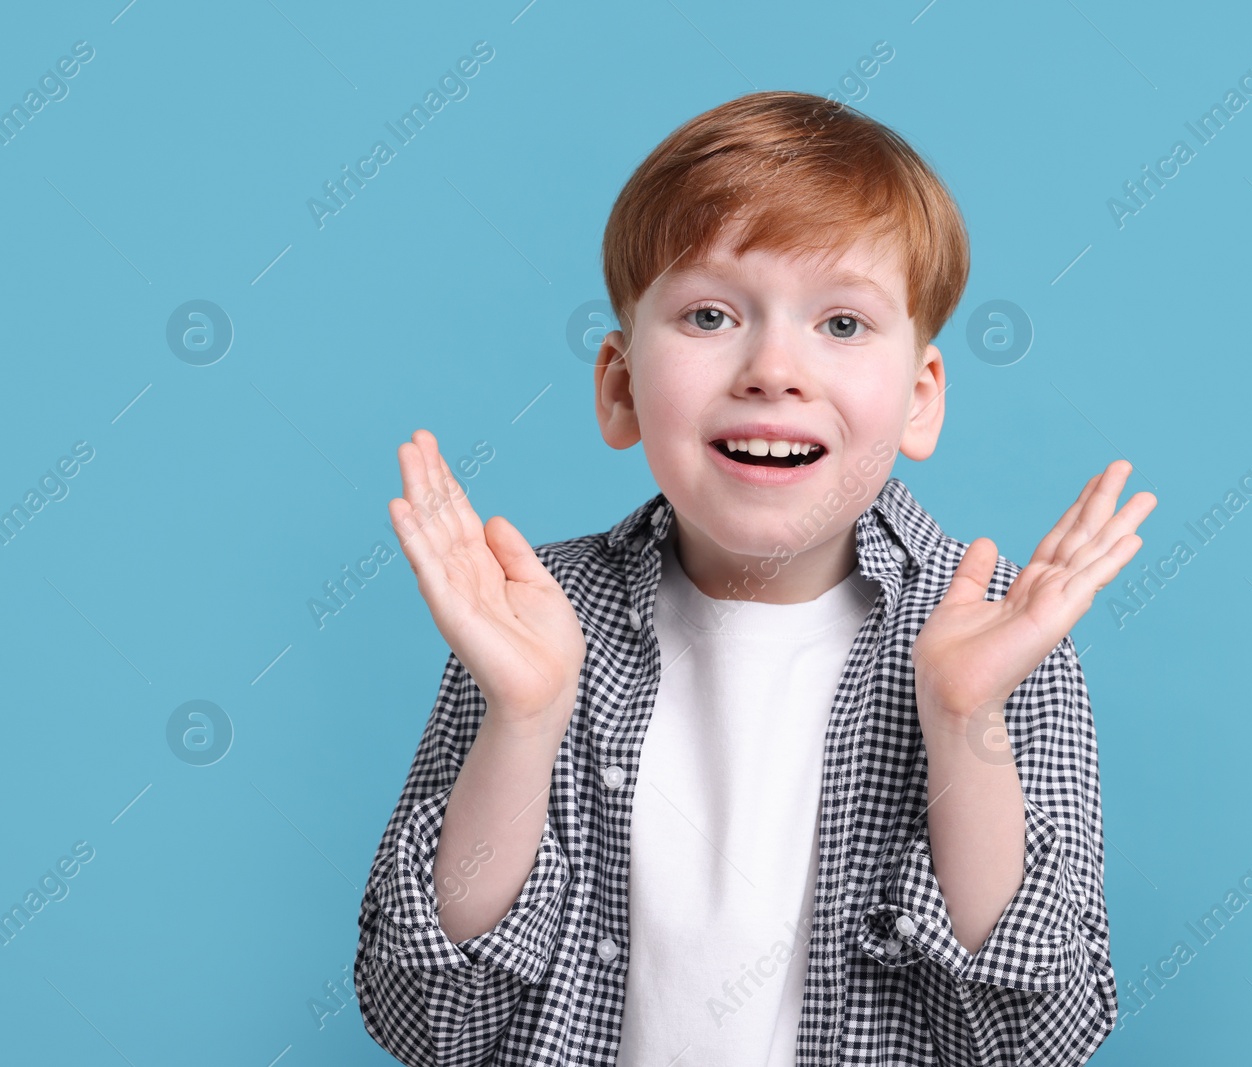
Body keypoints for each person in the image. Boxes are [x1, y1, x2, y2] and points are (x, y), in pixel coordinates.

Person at [353, 89, 1156, 1066]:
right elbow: (431, 1020)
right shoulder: (531, 621)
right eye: (709, 313)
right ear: (618, 388)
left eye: (843, 324)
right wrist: (522, 721)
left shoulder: (1002, 635)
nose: (773, 367)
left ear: (919, 399)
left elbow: (1028, 1041)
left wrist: (961, 724)